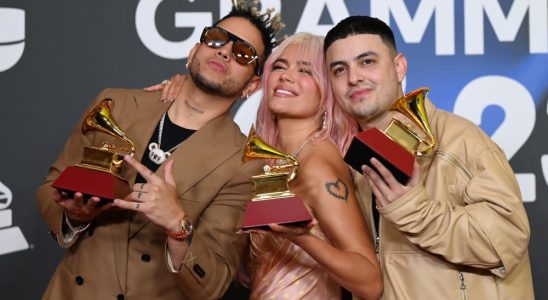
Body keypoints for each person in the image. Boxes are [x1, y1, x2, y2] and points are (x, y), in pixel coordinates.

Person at [35, 1, 283, 299]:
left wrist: (177, 225)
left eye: (243, 54)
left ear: (252, 85)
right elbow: (51, 184)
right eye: (217, 38)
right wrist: (74, 217)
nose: (225, 51)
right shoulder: (115, 104)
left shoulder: (243, 164)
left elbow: (214, 283)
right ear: (194, 51)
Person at [323, 16, 534, 299]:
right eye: (339, 69)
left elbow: (506, 241)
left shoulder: (460, 141)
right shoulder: (356, 163)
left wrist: (413, 209)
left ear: (399, 67)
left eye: (367, 62)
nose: (354, 77)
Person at [248, 32, 382, 300]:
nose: (286, 76)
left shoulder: (317, 165)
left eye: (305, 70)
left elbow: (370, 282)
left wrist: (303, 238)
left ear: (326, 91)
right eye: (279, 66)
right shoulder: (276, 158)